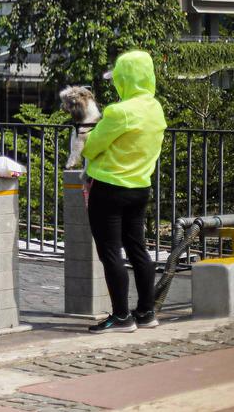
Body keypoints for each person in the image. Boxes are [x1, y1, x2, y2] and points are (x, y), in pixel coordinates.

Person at [81, 50, 166, 333]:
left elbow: (91, 146)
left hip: (109, 188)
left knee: (110, 252)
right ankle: (146, 312)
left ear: (124, 79)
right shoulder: (155, 108)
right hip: (140, 186)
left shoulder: (120, 112)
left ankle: (120, 316)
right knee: (138, 249)